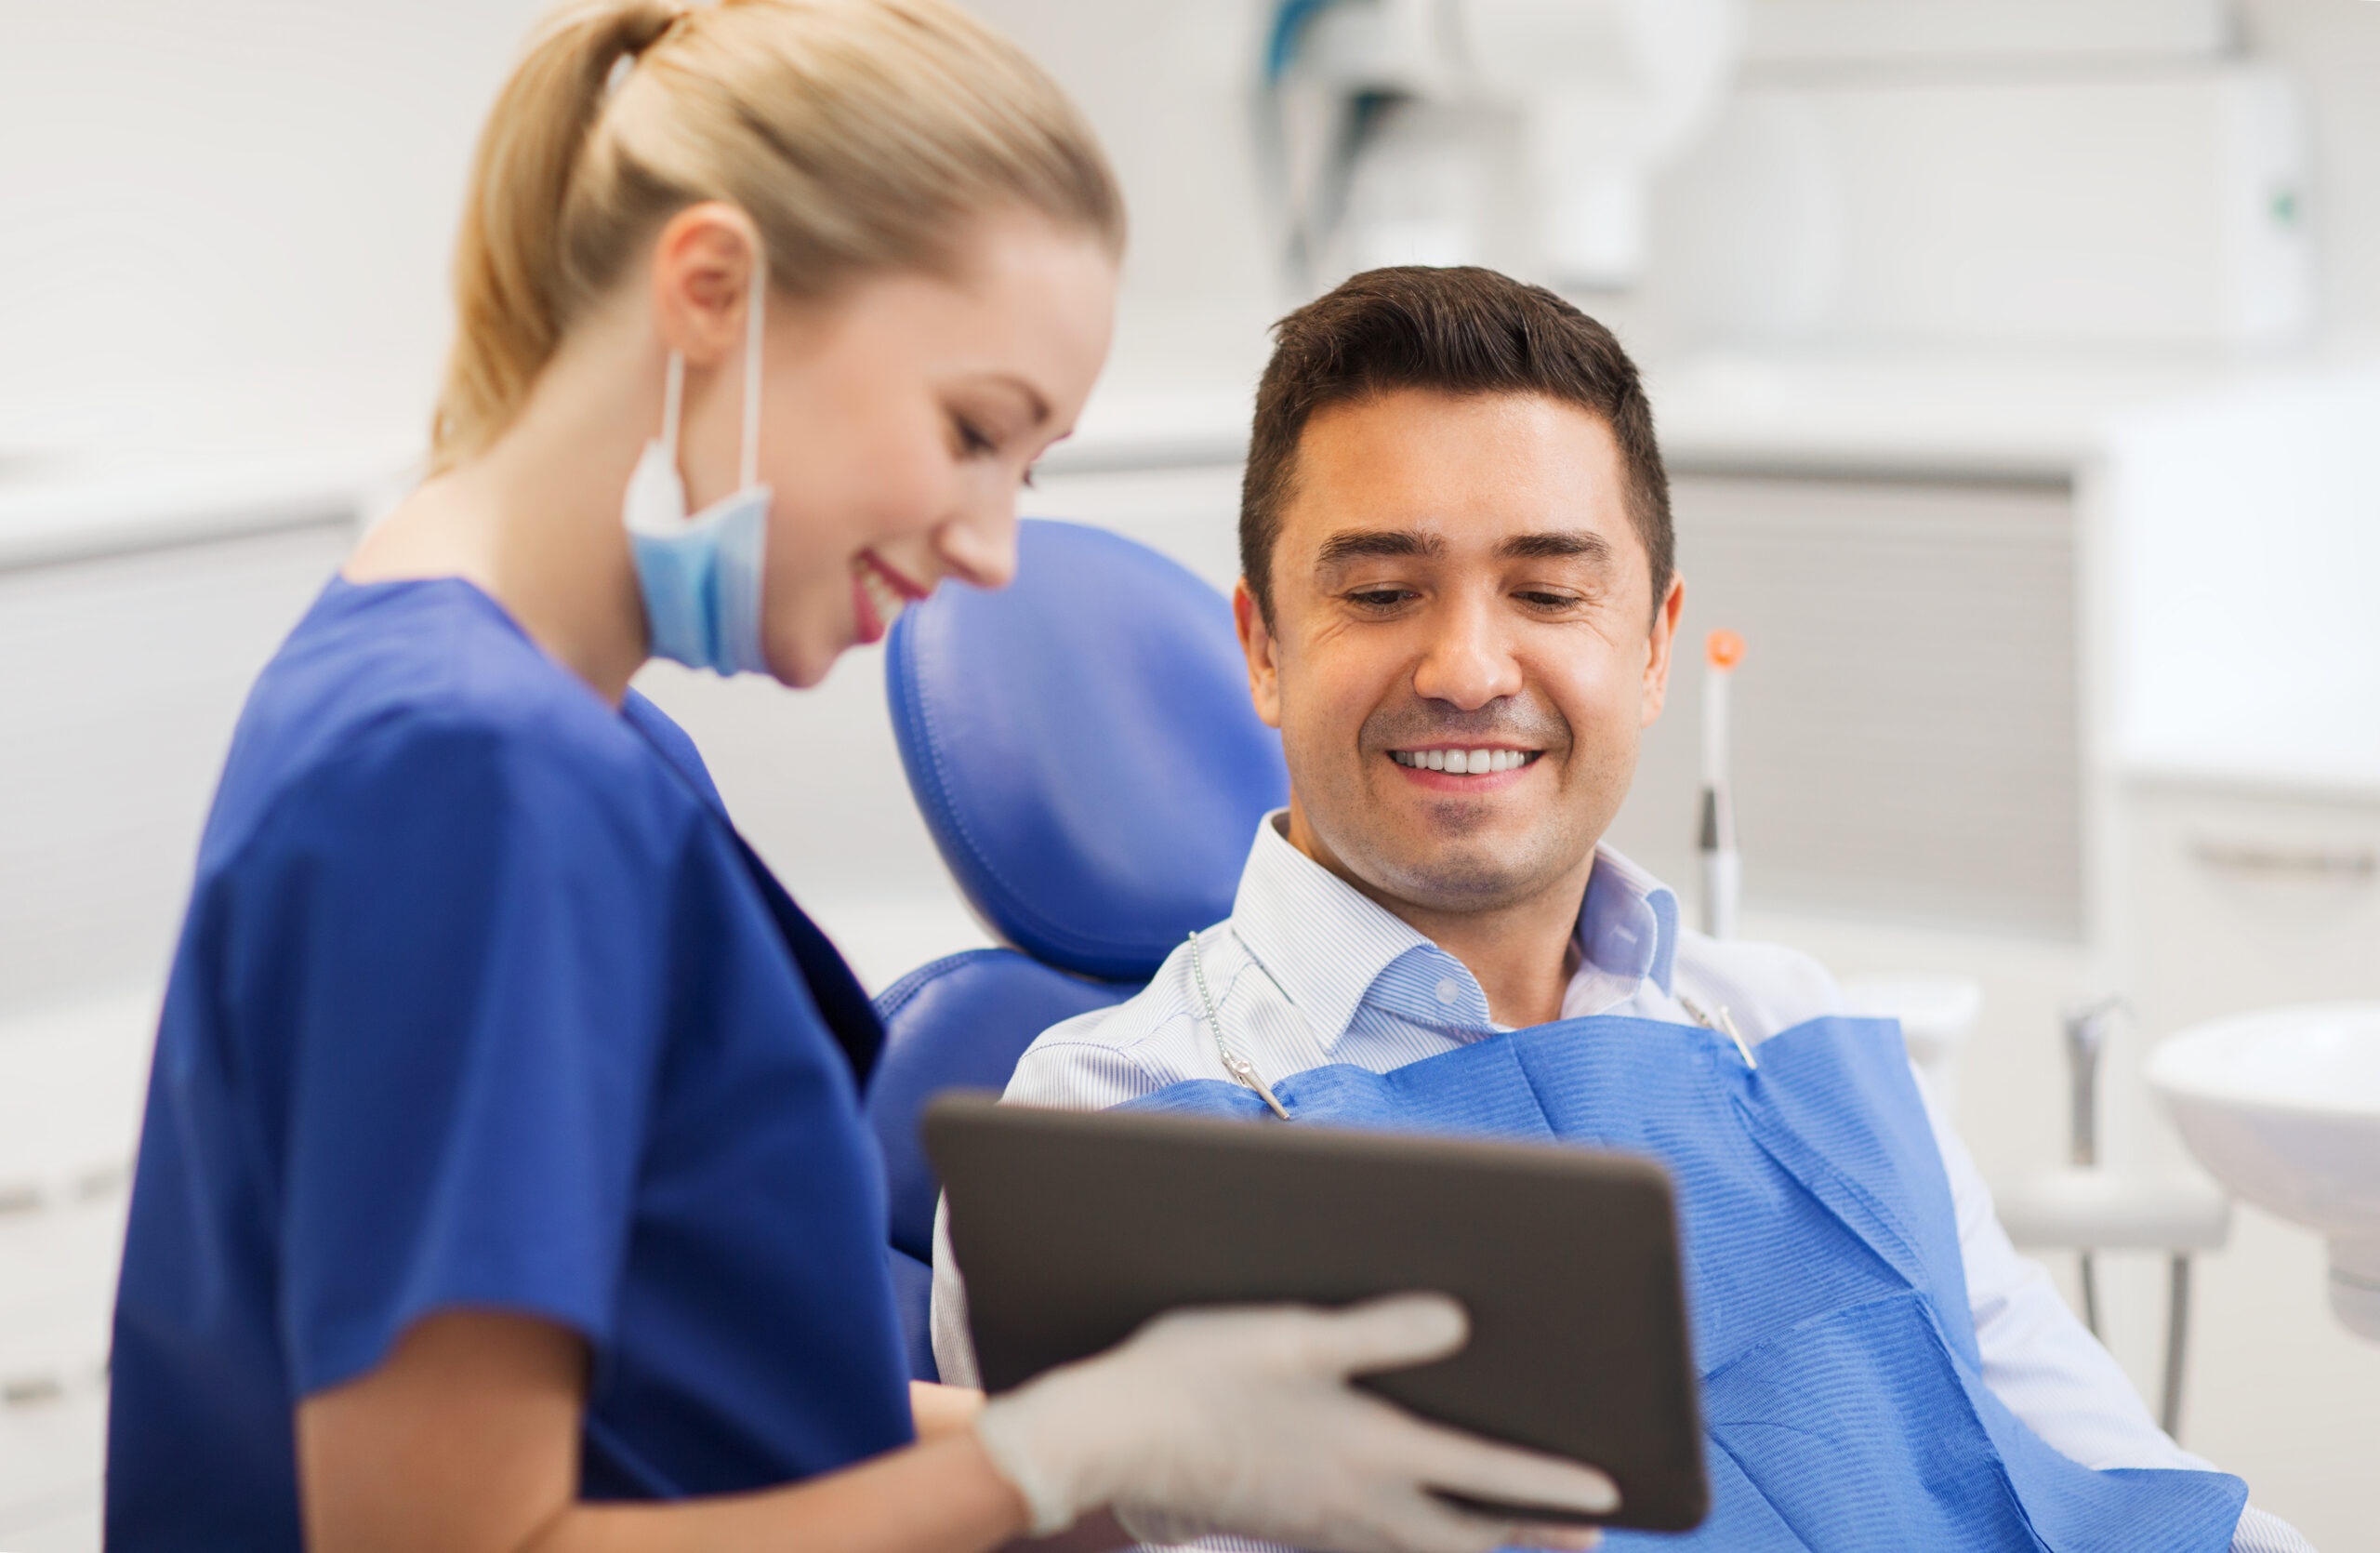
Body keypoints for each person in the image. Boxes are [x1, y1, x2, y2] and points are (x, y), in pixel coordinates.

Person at [104, 8, 1629, 1551]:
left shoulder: (553, 731)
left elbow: (678, 1407)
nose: (987, 548)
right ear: (713, 292)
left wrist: (1190, 1443)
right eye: (972, 430)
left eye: (1020, 470)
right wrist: (1043, 1456)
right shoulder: (474, 774)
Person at [928, 266, 2317, 1553]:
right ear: (1264, 648)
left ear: (1652, 646)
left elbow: (2096, 1469)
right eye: (1380, 590)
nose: (1469, 665)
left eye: (1545, 589)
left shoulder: (1798, 1030)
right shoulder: (1104, 1127)